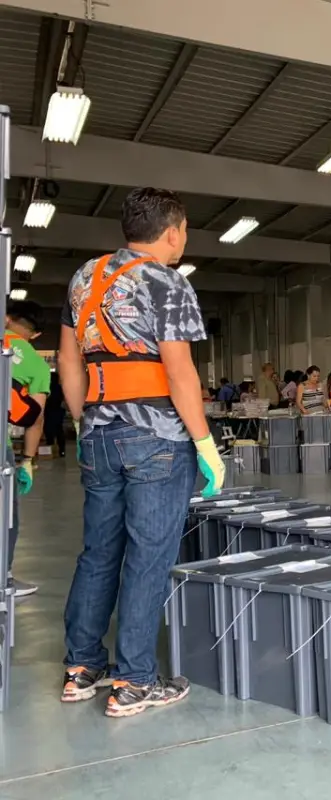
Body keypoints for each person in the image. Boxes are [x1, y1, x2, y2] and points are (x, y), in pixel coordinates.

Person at [58, 187, 225, 716]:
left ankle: (82, 667)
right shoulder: (167, 281)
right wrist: (204, 443)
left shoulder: (85, 277)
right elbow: (179, 370)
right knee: (148, 556)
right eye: (184, 231)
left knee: (99, 550)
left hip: (99, 433)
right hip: (156, 437)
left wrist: (87, 419)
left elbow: (68, 360)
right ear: (172, 231)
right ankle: (133, 681)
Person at [6, 300, 51, 597]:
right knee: (5, 515)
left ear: (7, 318)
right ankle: (3, 578)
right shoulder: (36, 363)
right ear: (35, 336)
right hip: (1, 447)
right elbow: (35, 418)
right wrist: (26, 461)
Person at [45, 371, 67, 458]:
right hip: (58, 411)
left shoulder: (48, 387)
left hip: (49, 411)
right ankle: (62, 451)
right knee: (59, 430)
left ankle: (49, 447)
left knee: (48, 429)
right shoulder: (60, 388)